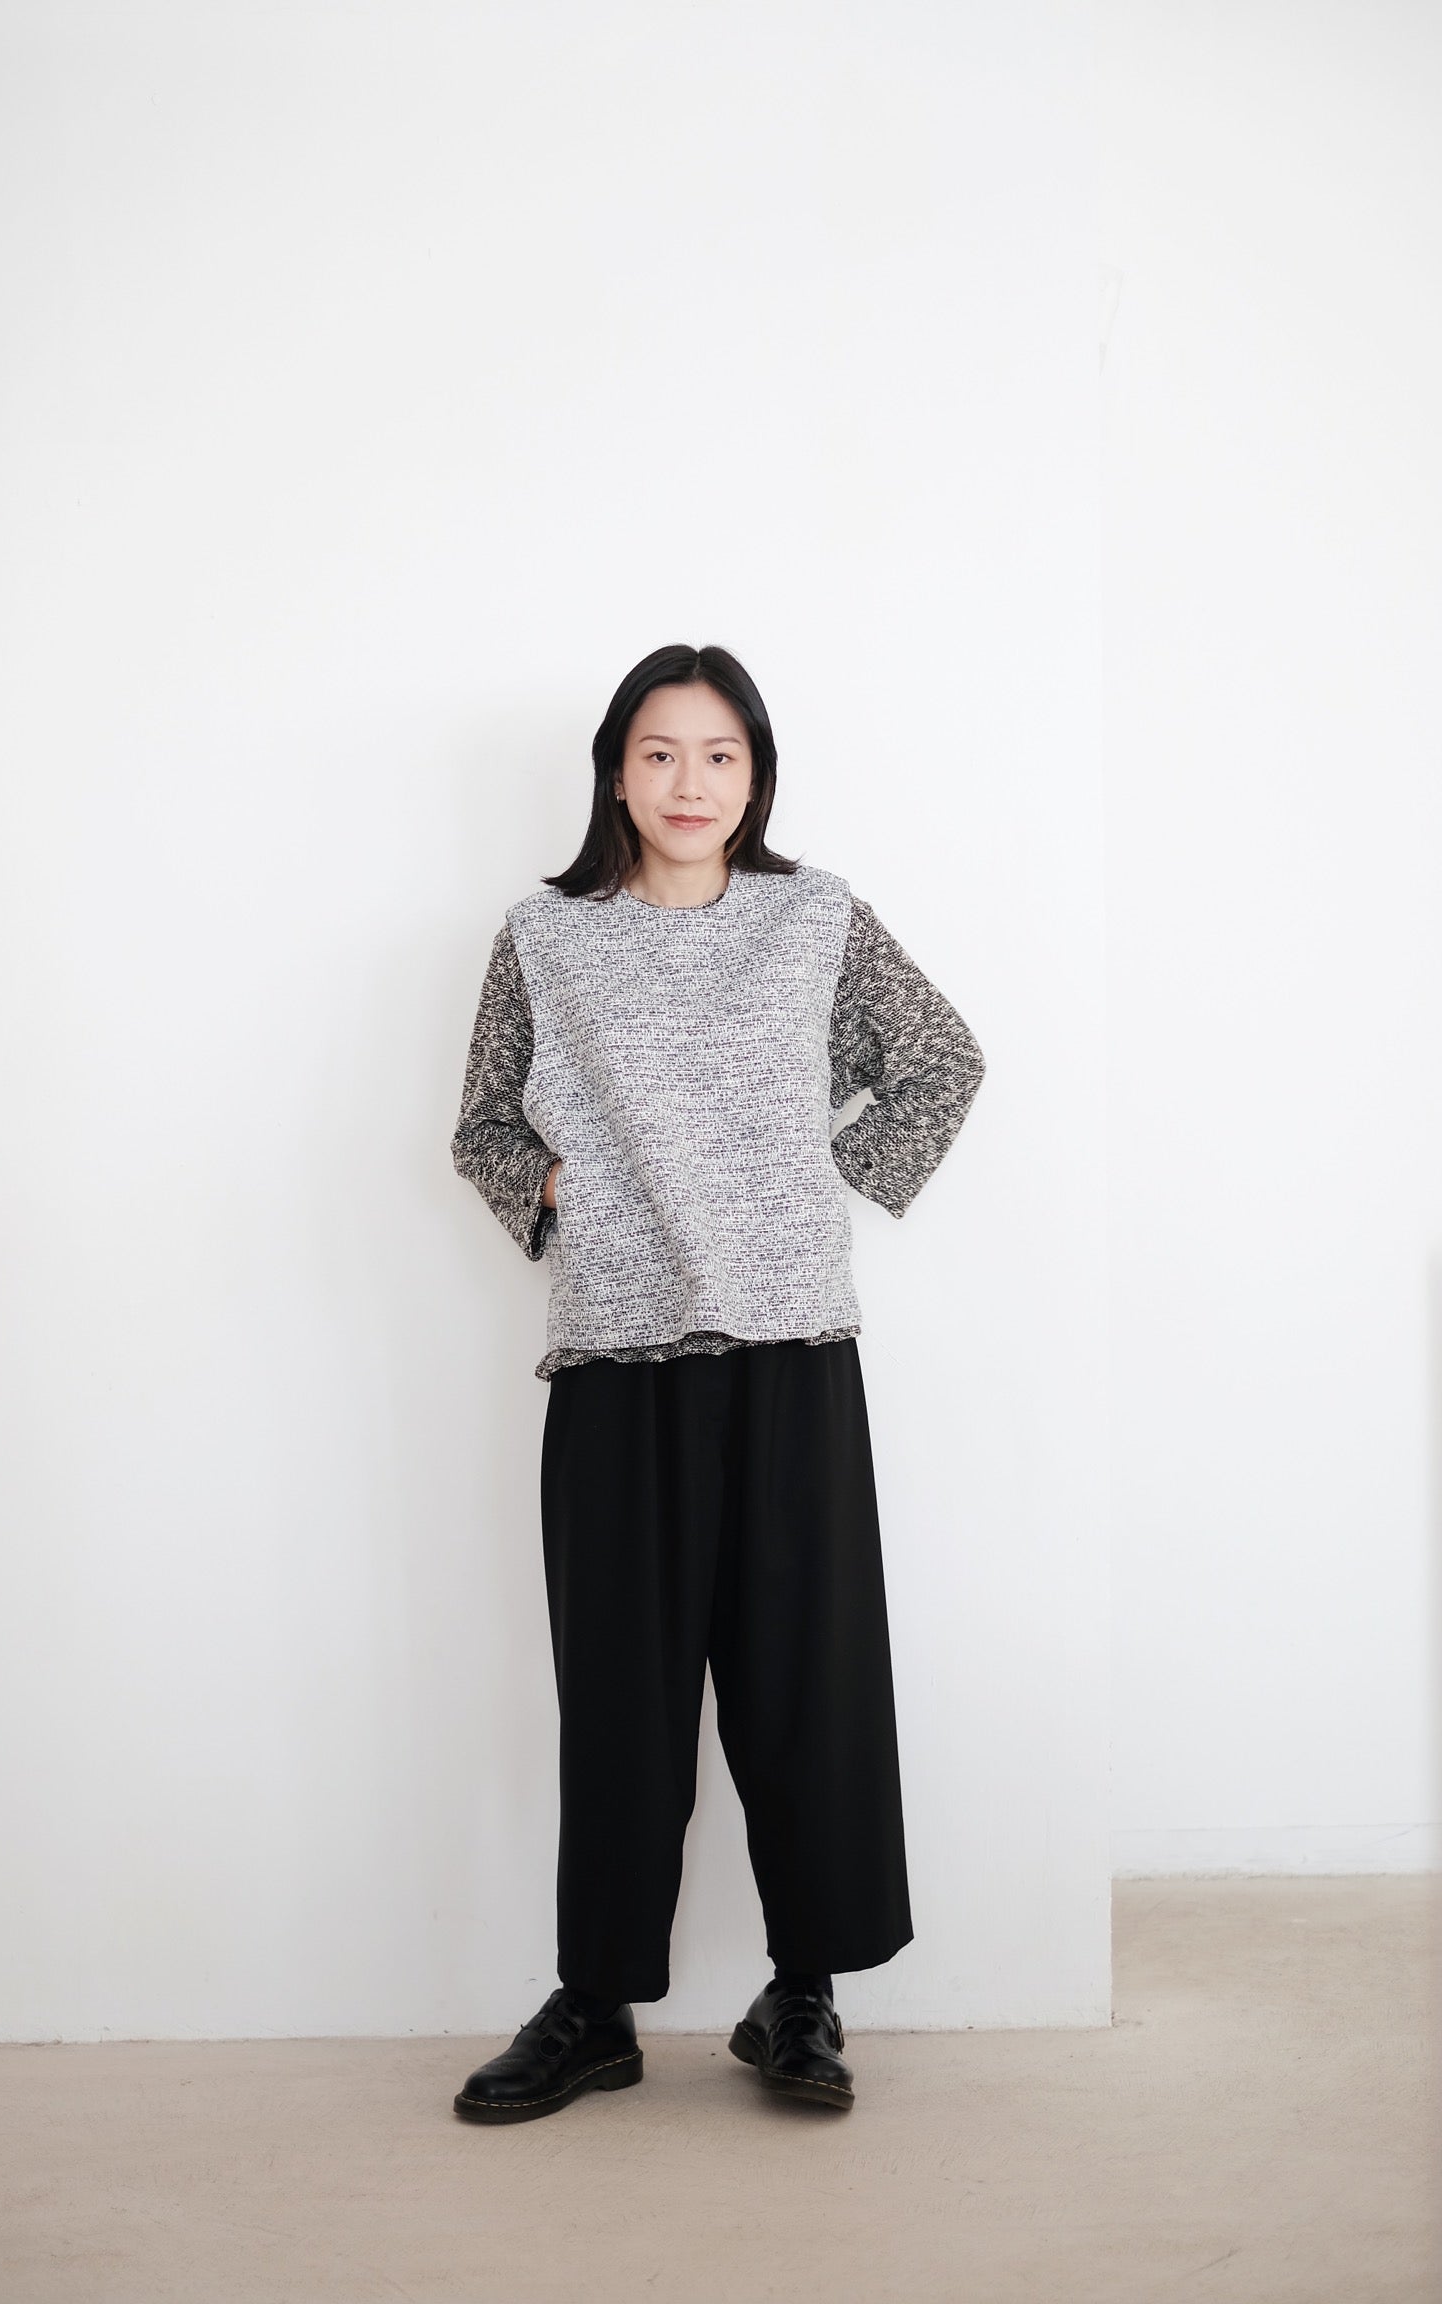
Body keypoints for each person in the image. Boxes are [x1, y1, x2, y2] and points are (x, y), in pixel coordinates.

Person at [448, 642, 985, 2122]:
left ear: (757, 775)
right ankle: (597, 2005)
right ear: (617, 773)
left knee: (809, 1687)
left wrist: (807, 1180)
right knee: (621, 1699)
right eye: (661, 753)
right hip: (615, 1362)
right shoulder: (546, 936)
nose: (691, 782)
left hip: (791, 1354)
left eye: (721, 754)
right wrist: (555, 1193)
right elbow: (483, 1123)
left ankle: (802, 1992)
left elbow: (942, 1061)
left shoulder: (814, 920)